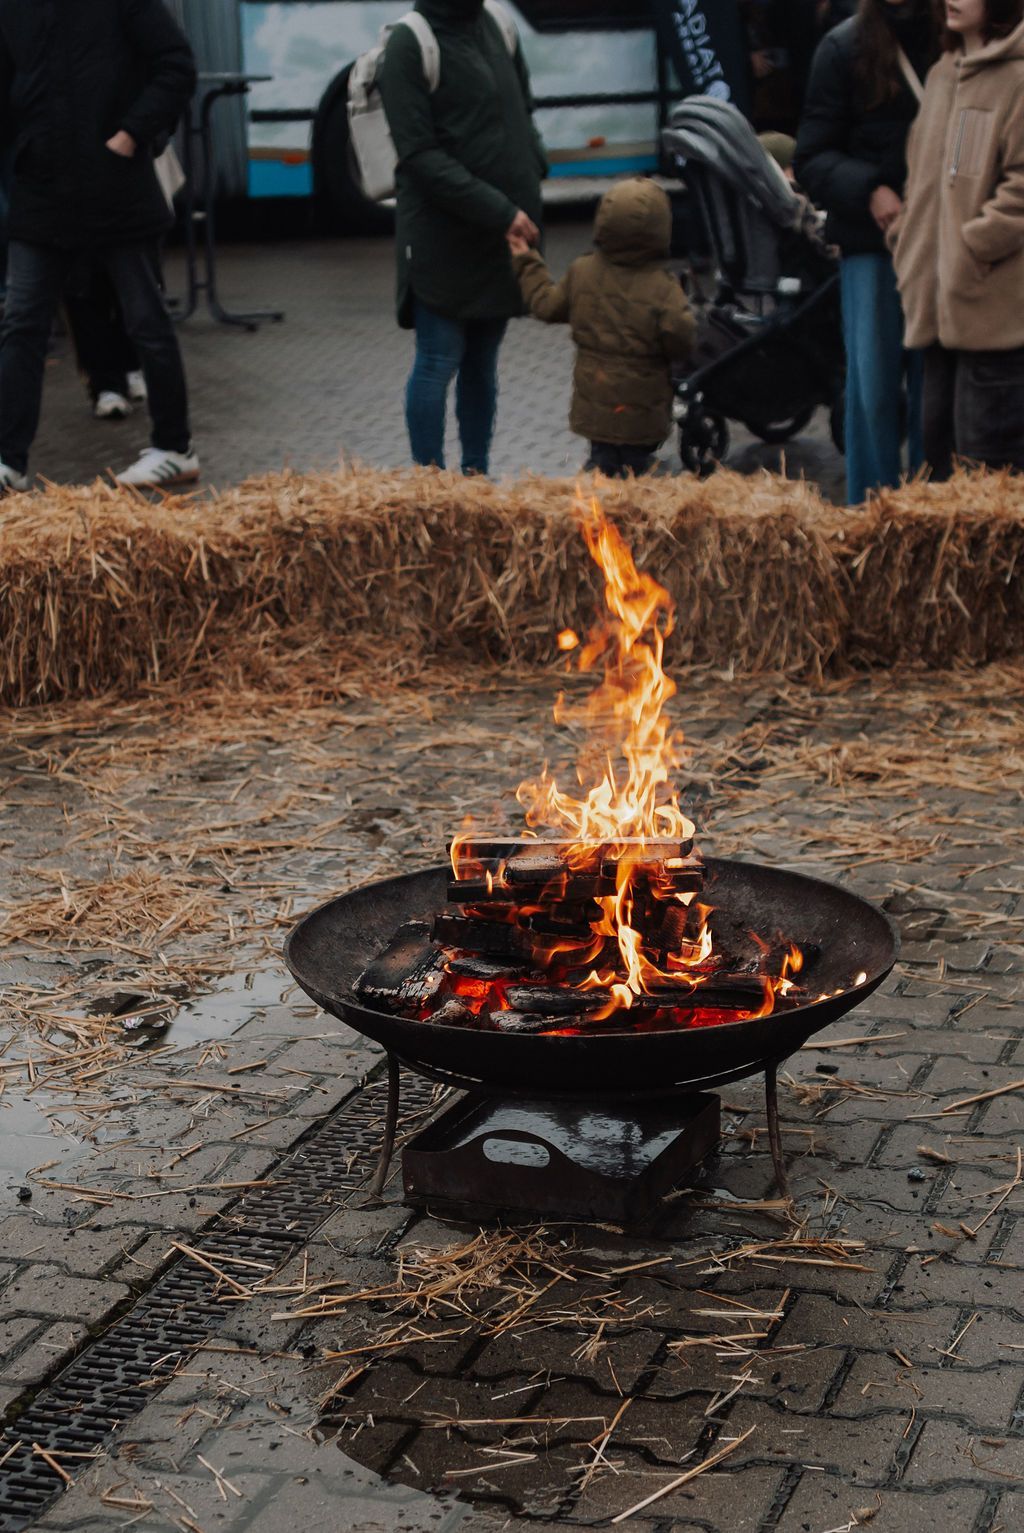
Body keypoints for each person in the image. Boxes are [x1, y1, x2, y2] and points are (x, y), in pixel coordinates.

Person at [0, 0, 197, 493]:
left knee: (146, 321)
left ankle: (175, 450)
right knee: (21, 323)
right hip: (42, 188)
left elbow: (176, 65)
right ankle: (8, 463)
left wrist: (131, 134)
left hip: (117, 188)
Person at [379, 0, 546, 477]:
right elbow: (418, 155)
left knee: (481, 365)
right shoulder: (411, 43)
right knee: (438, 359)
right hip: (443, 238)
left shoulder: (498, 23)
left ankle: (477, 480)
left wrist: (533, 166)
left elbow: (524, 107)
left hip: (499, 236)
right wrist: (500, 208)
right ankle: (431, 491)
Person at [794, 0, 938, 504]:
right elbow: (812, 156)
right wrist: (872, 189)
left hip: (943, 245)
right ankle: (873, 516)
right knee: (872, 391)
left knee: (934, 395)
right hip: (872, 248)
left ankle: (934, 513)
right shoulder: (842, 48)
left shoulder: (958, 38)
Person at [893, 0, 1024, 476]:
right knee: (936, 460)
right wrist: (905, 239)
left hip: (992, 315)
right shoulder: (941, 74)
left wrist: (973, 247)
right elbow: (920, 175)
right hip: (935, 309)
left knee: (986, 471)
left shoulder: (1017, 79)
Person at [510, 179, 696, 478]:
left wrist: (526, 260)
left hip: (594, 409)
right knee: (638, 472)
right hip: (643, 411)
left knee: (602, 467)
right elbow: (681, 339)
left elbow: (546, 305)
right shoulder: (663, 286)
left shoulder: (582, 271)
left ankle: (594, 517)